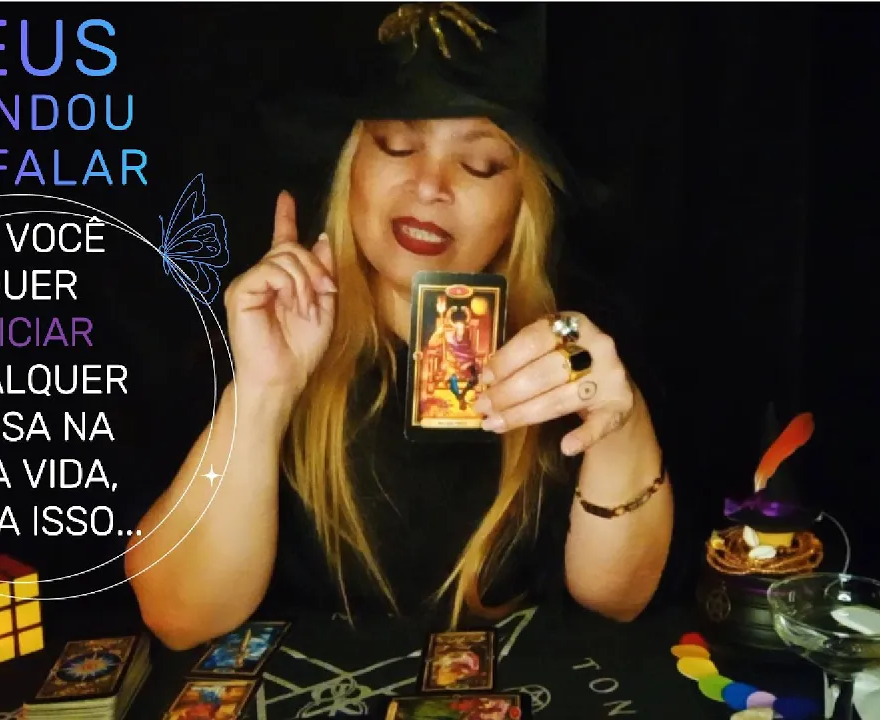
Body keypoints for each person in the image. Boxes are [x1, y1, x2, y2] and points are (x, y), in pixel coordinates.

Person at [127, 3, 675, 651]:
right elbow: (179, 617)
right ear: (352, 167)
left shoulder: (573, 351)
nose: (429, 185)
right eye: (398, 145)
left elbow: (618, 600)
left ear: (520, 205)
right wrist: (263, 392)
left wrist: (621, 427)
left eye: (480, 164)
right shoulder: (257, 335)